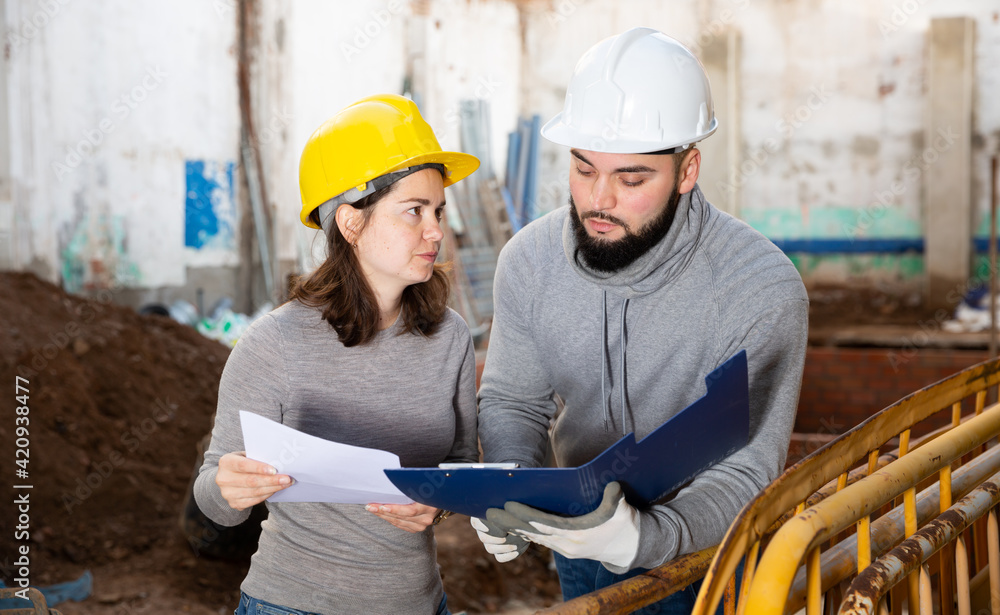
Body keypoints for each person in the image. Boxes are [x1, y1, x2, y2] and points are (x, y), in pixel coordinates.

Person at [472, 27, 809, 613]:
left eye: (631, 179)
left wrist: (646, 539)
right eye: (582, 169)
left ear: (687, 171)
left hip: (712, 558)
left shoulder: (758, 286)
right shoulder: (528, 262)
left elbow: (749, 467)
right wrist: (515, 488)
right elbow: (512, 401)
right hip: (576, 543)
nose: (598, 199)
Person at [194, 93, 481, 615]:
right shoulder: (273, 345)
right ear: (351, 224)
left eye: (438, 211)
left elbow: (460, 466)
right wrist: (228, 484)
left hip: (419, 603)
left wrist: (437, 506)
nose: (436, 230)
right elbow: (214, 500)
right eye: (414, 211)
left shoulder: (451, 337)